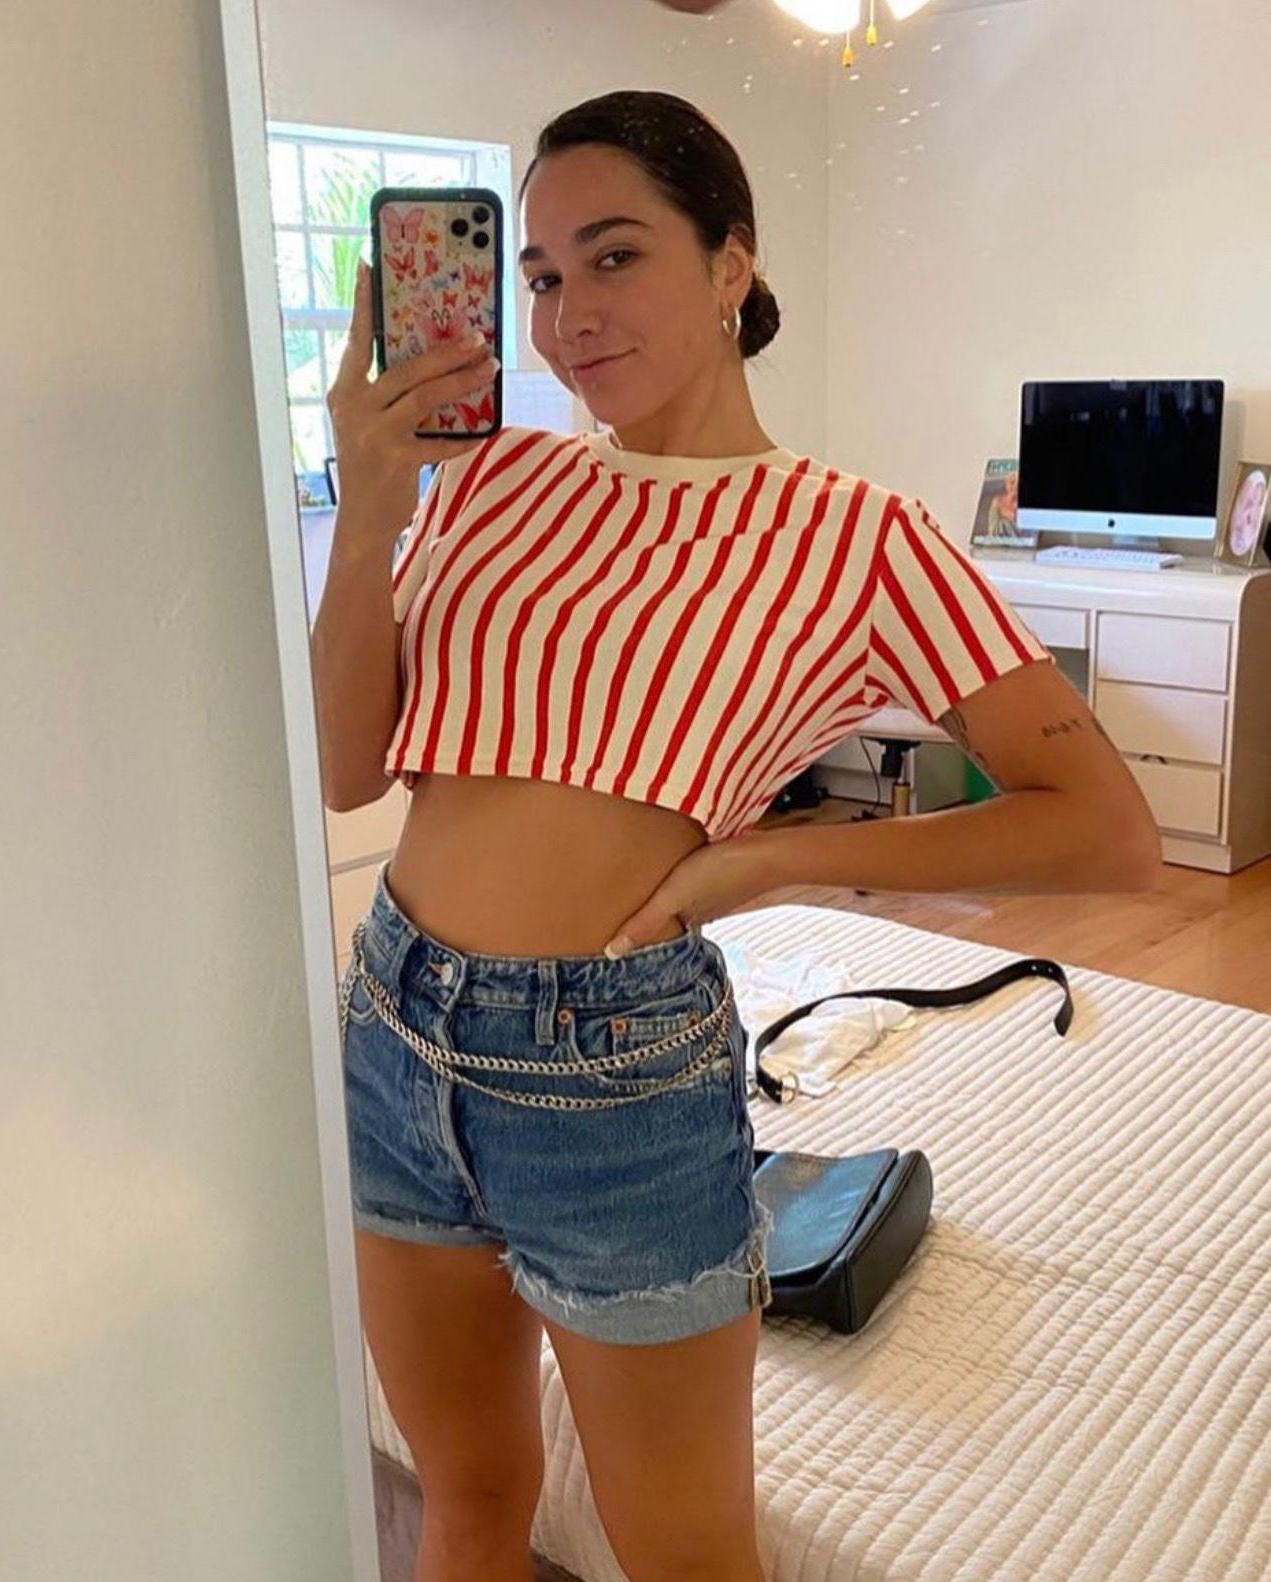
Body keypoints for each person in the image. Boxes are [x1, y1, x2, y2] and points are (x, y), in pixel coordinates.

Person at [313, 89, 1162, 1582]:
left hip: (615, 1074)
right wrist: (370, 508)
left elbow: (1104, 829)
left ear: (730, 265)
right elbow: (343, 770)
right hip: (392, 1024)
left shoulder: (855, 535)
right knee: (466, 1497)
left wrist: (769, 859)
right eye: (542, 275)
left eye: (616, 255)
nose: (570, 313)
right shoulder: (491, 478)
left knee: (687, 1554)